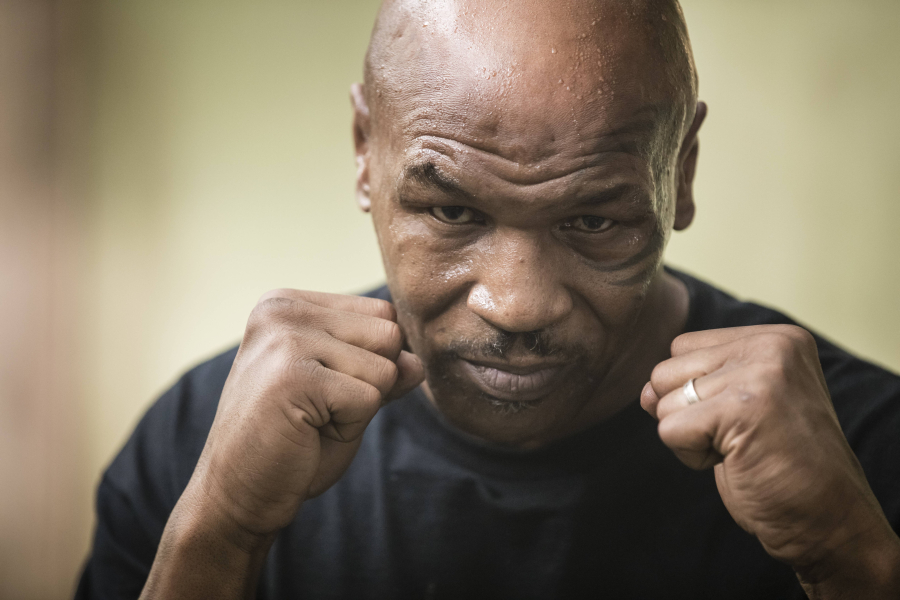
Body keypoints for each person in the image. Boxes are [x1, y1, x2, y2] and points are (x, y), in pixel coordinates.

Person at [75, 0, 900, 598]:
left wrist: (850, 558)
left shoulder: (865, 454)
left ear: (678, 173)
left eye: (592, 220)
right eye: (452, 212)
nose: (517, 304)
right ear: (365, 150)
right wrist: (220, 538)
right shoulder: (195, 451)